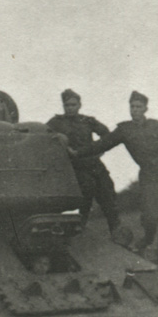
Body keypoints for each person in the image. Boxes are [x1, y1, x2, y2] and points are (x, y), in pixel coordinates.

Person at [94, 91, 158, 268]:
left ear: (145, 109)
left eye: (138, 107)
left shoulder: (156, 125)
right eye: (132, 106)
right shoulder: (124, 130)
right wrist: (77, 153)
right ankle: (145, 242)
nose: (134, 110)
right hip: (150, 177)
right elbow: (102, 144)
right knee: (150, 217)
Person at [46, 89, 121, 233]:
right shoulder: (56, 122)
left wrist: (98, 150)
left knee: (107, 191)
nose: (70, 108)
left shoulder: (88, 121)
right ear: (63, 106)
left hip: (93, 163)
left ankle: (116, 229)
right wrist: (60, 144)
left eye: (73, 105)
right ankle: (81, 225)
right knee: (86, 190)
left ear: (79, 105)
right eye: (67, 105)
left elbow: (107, 135)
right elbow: (44, 135)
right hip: (74, 165)